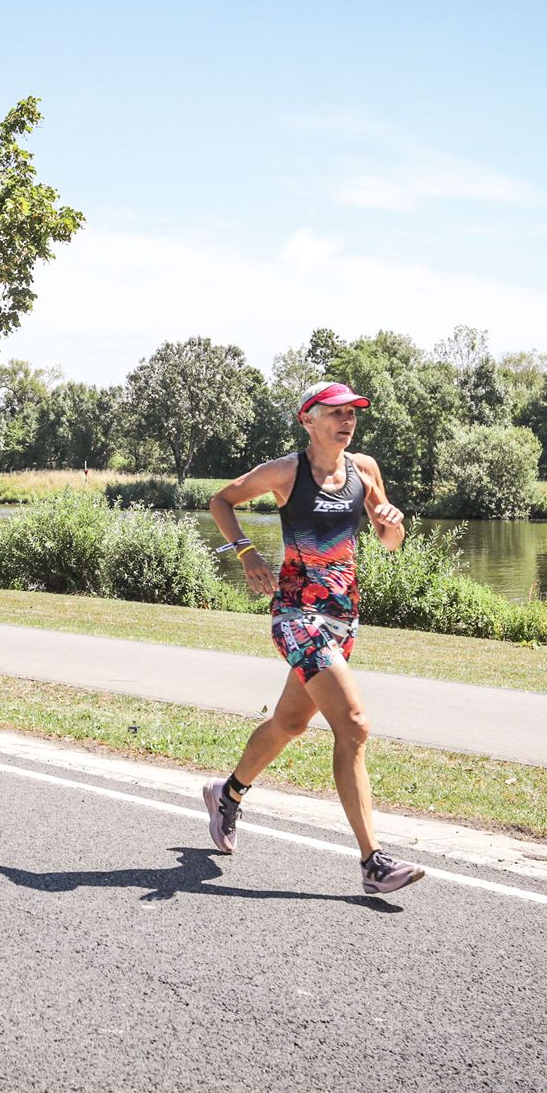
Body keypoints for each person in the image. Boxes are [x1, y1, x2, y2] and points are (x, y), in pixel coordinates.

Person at [202, 381, 425, 896]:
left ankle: (227, 794)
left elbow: (390, 542)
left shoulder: (364, 470)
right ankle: (373, 862)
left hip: (343, 615)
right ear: (308, 419)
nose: (347, 421)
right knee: (354, 724)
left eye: (353, 414)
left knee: (289, 723)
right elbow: (222, 500)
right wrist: (246, 553)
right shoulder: (287, 472)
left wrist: (392, 523)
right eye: (336, 413)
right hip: (296, 613)